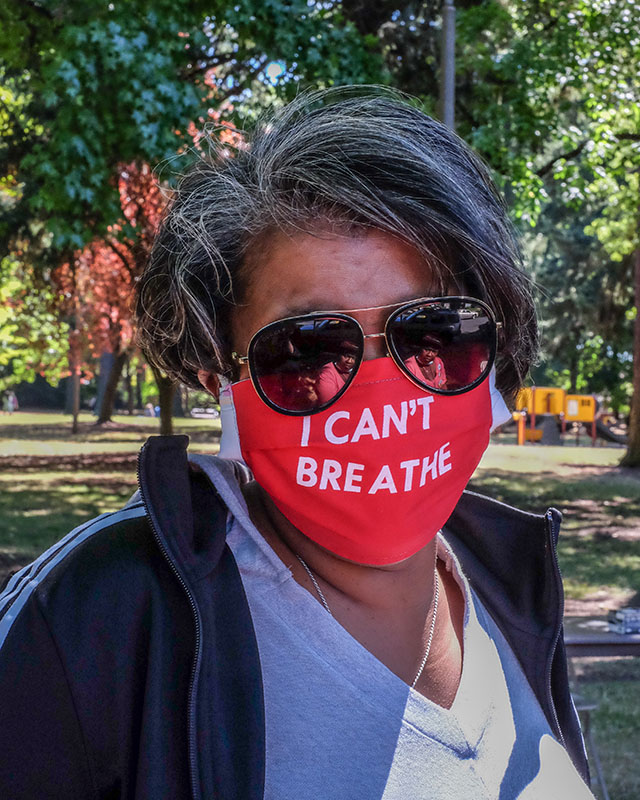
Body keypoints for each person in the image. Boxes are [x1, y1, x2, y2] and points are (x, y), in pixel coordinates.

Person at [0, 90, 592, 799]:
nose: (382, 389)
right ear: (219, 370)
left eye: (433, 332)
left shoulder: (511, 579)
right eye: (307, 350)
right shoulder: (95, 617)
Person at [316, 340, 359, 404]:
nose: (349, 361)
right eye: (346, 356)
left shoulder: (358, 371)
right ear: (339, 355)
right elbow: (328, 402)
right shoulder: (327, 374)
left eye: (353, 358)